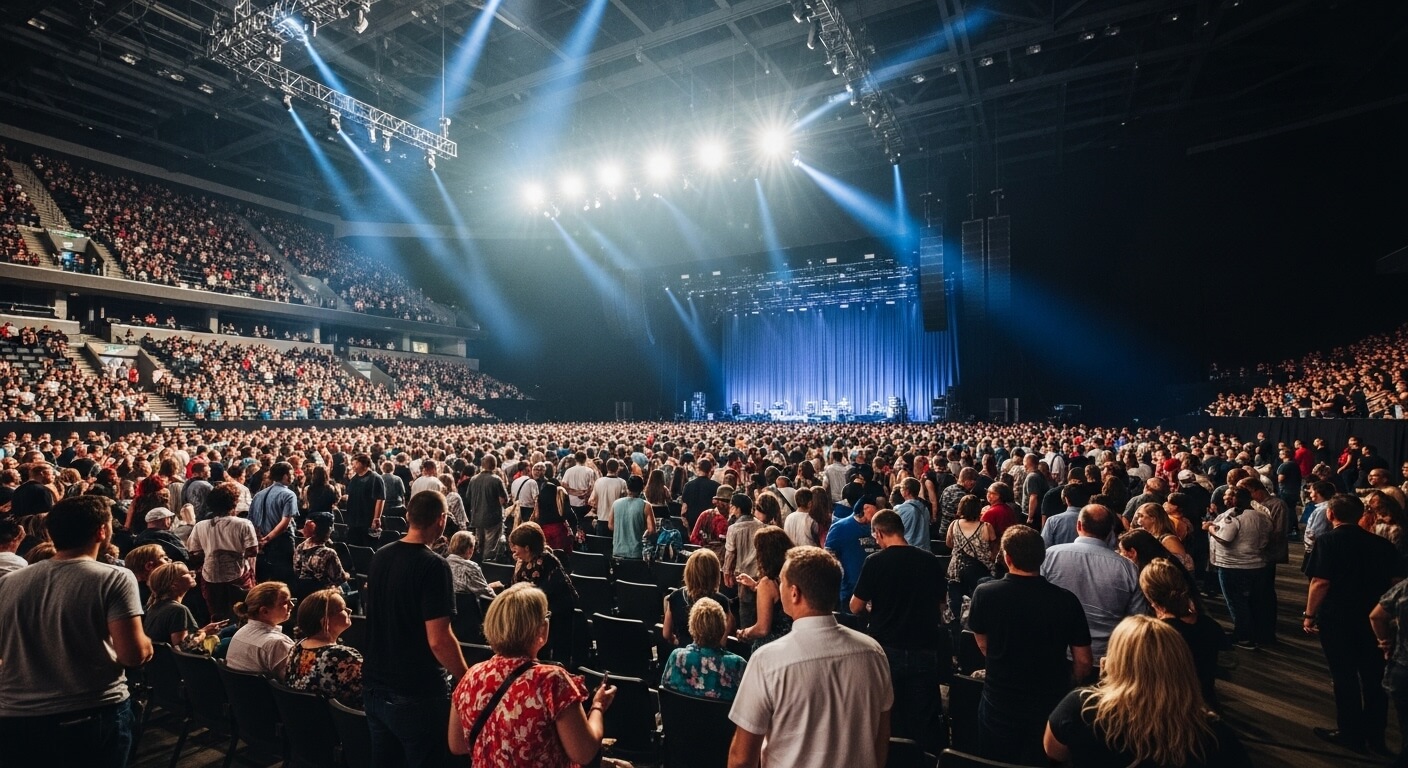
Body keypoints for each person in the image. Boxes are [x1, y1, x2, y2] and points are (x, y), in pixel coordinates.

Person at [0, 494, 152, 768]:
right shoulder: (114, 577)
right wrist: (148, 645)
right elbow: (133, 655)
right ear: (102, 531)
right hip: (90, 713)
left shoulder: (9, 582)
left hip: (16, 717)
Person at [728, 546, 894, 768]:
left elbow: (741, 759)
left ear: (795, 593)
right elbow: (881, 739)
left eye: (782, 582)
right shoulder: (874, 653)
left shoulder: (767, 661)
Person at [1044, 615, 1252, 768]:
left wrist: (1105, 682)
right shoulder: (1212, 733)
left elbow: (1053, 750)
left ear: (1117, 659)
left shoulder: (1081, 707)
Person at [448, 583, 618, 767]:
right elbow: (584, 752)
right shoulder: (551, 681)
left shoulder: (471, 675)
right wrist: (598, 706)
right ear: (542, 629)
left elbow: (457, 745)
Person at [967, 526, 1093, 765]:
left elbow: (983, 643)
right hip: (1049, 702)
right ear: (1041, 557)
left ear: (1007, 558)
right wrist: (1070, 682)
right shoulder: (1066, 600)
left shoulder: (985, 594)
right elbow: (1084, 662)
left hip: (999, 701)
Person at [362, 489, 467, 766]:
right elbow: (438, 639)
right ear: (441, 520)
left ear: (408, 516)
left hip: (374, 684)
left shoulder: (381, 555)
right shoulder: (434, 566)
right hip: (415, 691)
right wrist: (465, 677)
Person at [1304, 493, 1399, 754]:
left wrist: (1310, 614)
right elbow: (1395, 583)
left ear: (1330, 514)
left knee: (1343, 676)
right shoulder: (1382, 544)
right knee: (1374, 678)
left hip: (1338, 618)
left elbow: (1320, 582)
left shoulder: (1327, 542)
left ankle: (1350, 733)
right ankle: (1376, 737)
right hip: (1374, 618)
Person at [850, 509, 949, 750]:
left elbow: (855, 606)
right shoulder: (928, 560)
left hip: (887, 648)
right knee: (924, 716)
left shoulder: (875, 562)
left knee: (889, 713)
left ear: (880, 532)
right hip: (924, 646)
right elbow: (942, 604)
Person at [1042, 504, 1148, 661]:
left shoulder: (1050, 556)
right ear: (1110, 531)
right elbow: (1137, 619)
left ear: (1079, 525)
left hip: (1058, 650)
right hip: (1108, 655)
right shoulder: (1128, 568)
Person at [1140, 557, 1224, 709]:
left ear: (1149, 596)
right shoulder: (1209, 625)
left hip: (1169, 709)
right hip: (1205, 703)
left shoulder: (1154, 635)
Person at [1203, 486, 1272, 650]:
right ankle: (1255, 633)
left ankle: (1243, 637)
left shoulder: (1235, 515)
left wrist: (1210, 528)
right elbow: (1268, 533)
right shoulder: (1261, 515)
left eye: (1229, 496)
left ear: (1236, 499)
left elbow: (1226, 538)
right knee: (1252, 601)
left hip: (1233, 565)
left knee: (1236, 602)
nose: (1225, 499)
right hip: (1256, 564)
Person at [506, 522, 578, 666]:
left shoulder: (547, 561)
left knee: (554, 653)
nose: (513, 549)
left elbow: (541, 591)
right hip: (537, 614)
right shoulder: (523, 561)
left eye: (516, 546)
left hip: (556, 614)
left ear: (527, 548)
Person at [186, 483, 258, 621]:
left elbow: (194, 552)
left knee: (217, 615)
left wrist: (211, 551)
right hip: (238, 576)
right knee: (243, 613)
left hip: (211, 577)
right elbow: (252, 551)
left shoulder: (200, 526)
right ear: (234, 503)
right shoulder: (243, 524)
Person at [285, 588, 364, 706]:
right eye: (342, 608)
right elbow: (370, 694)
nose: (349, 610)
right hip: (345, 722)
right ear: (325, 621)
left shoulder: (298, 647)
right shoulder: (341, 656)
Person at [661, 597, 748, 701]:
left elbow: (665, 697)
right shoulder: (738, 664)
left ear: (692, 626)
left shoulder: (677, 657)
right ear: (722, 628)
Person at [735, 525, 794, 650]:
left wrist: (744, 633)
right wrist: (754, 585)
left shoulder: (767, 583)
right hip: (794, 640)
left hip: (773, 646)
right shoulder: (793, 575)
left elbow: (762, 629)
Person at [144, 561, 225, 651]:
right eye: (186, 573)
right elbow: (182, 648)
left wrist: (204, 630)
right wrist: (204, 632)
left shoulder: (153, 607)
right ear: (174, 585)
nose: (192, 573)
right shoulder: (177, 610)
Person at [663, 548, 735, 646]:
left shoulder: (675, 597)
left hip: (684, 652)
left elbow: (666, 634)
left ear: (688, 572)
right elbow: (723, 640)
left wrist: (676, 641)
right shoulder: (722, 601)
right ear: (715, 574)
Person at [226, 581, 296, 678]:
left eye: (291, 600)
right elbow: (294, 681)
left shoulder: (240, 633)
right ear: (264, 611)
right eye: (285, 602)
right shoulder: (278, 644)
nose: (292, 605)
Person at [825, 497, 879, 613]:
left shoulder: (877, 528)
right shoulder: (840, 527)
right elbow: (828, 557)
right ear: (866, 508)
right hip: (850, 592)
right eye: (875, 510)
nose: (877, 513)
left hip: (876, 592)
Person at [249, 461, 299, 583]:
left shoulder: (258, 495)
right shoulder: (289, 495)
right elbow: (284, 522)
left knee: (264, 581)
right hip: (281, 543)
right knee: (283, 581)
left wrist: (260, 539)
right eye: (291, 474)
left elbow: (251, 520)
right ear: (285, 476)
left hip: (261, 544)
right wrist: (267, 539)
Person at [293, 511, 350, 593]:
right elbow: (340, 578)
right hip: (324, 595)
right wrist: (348, 575)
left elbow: (296, 571)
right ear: (328, 529)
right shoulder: (328, 553)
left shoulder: (300, 547)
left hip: (304, 594)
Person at [467, 456, 508, 562]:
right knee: (490, 546)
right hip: (492, 518)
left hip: (477, 517)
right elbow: (503, 499)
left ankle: (478, 563)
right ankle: (487, 568)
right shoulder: (496, 480)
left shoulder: (473, 479)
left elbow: (468, 496)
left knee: (479, 544)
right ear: (494, 465)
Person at [343, 453, 385, 547]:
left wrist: (376, 518)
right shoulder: (354, 479)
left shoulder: (375, 478)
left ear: (364, 464)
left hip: (367, 520)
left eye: (355, 463)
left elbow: (380, 499)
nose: (353, 466)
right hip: (354, 520)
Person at [610, 474, 654, 559]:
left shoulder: (616, 503)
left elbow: (611, 525)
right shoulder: (646, 505)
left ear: (627, 487)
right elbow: (651, 529)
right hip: (636, 552)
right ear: (641, 489)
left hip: (617, 551)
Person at [446, 531, 496, 599]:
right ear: (470, 549)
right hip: (468, 608)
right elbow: (486, 593)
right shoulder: (471, 567)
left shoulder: (443, 563)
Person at [689, 483, 731, 555]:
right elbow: (693, 538)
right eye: (723, 501)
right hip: (704, 555)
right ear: (716, 501)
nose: (726, 504)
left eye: (728, 501)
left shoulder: (733, 519)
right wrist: (705, 547)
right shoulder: (706, 515)